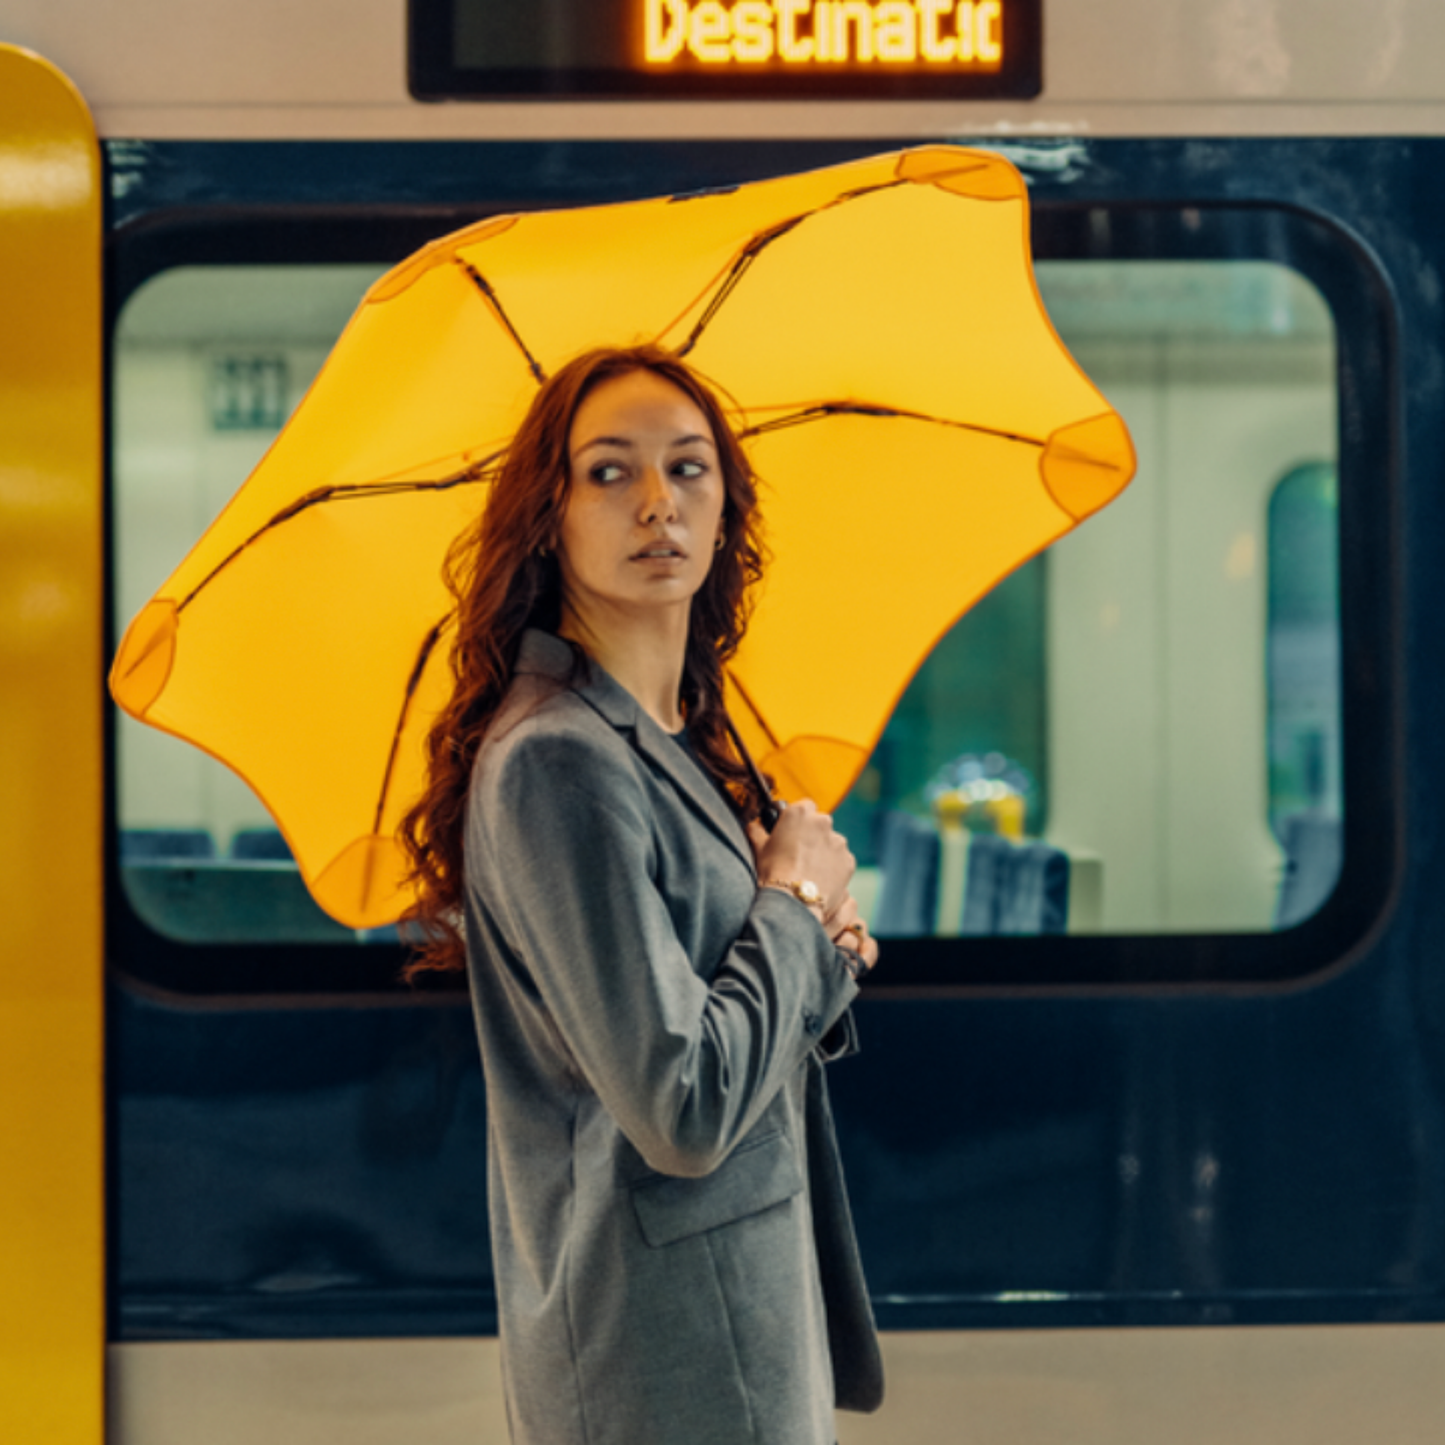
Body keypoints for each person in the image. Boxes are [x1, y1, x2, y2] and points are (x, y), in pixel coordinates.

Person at [400, 344, 883, 1444]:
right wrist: (792, 910)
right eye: (609, 472)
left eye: (689, 468)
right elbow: (680, 1106)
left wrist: (823, 945)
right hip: (665, 1360)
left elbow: (729, 1013)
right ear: (548, 515)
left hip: (737, 1327)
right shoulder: (558, 760)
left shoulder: (672, 744)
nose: (657, 501)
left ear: (726, 511)